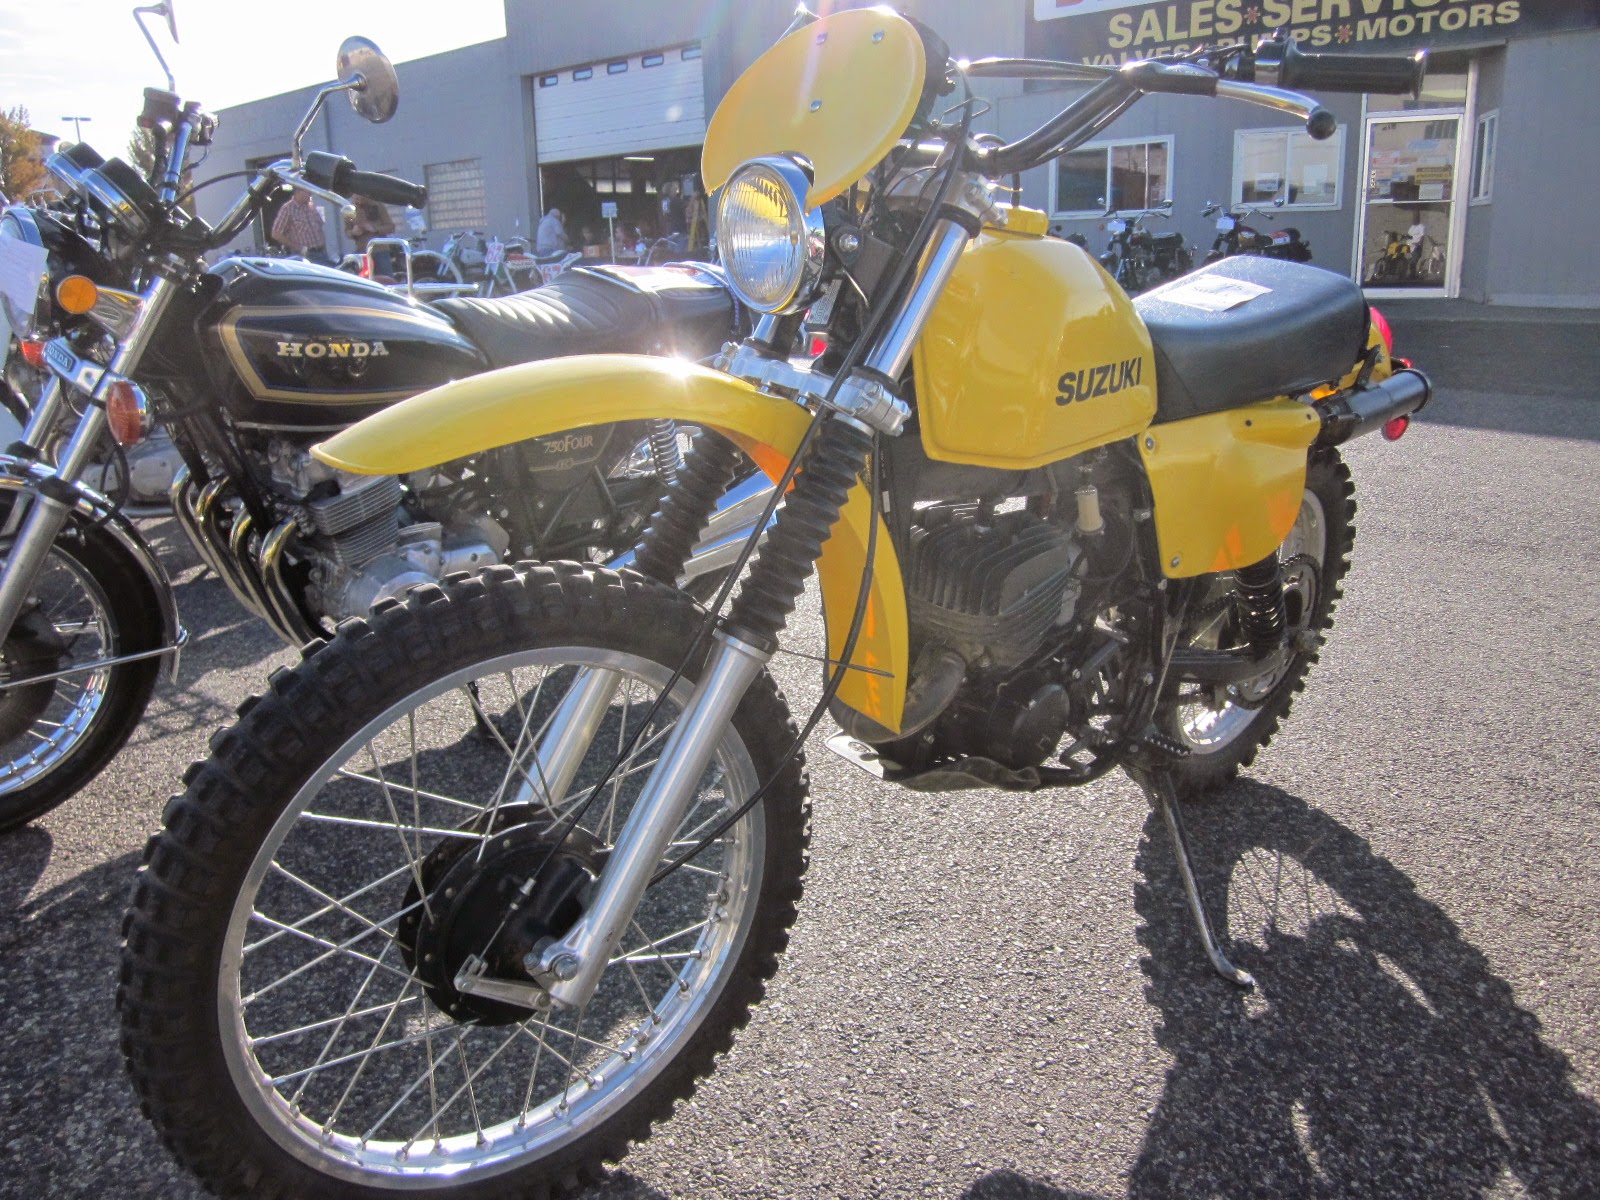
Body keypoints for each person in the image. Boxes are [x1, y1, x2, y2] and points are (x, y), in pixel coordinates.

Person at [271, 190, 330, 264]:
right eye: (307, 191)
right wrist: (297, 247)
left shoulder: (312, 206)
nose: (310, 194)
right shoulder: (287, 209)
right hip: (305, 256)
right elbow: (276, 233)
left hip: (322, 253)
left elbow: (320, 227)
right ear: (298, 191)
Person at [344, 193, 396, 276]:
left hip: (380, 250)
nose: (359, 202)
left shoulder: (378, 205)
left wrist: (375, 229)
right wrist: (354, 232)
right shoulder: (350, 210)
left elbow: (391, 227)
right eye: (356, 199)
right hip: (362, 252)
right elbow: (347, 232)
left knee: (386, 277)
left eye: (361, 198)